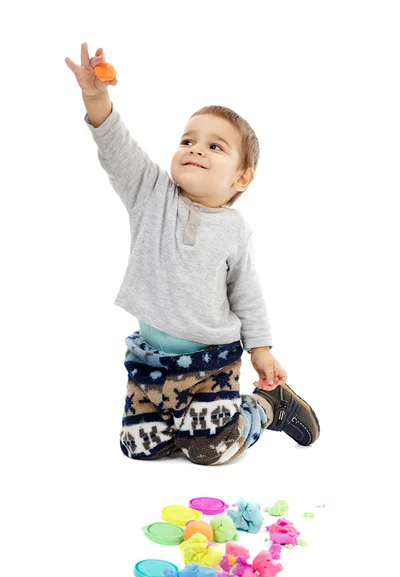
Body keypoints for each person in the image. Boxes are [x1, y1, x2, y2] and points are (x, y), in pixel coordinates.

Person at [65, 43, 320, 465]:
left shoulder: (234, 229)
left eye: (215, 146)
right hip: (150, 360)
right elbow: (116, 147)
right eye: (188, 140)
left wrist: (261, 349)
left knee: (208, 451)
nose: (196, 149)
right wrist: (96, 96)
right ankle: (177, 421)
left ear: (242, 177)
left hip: (211, 363)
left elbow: (247, 294)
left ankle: (269, 406)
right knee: (141, 449)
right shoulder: (150, 195)